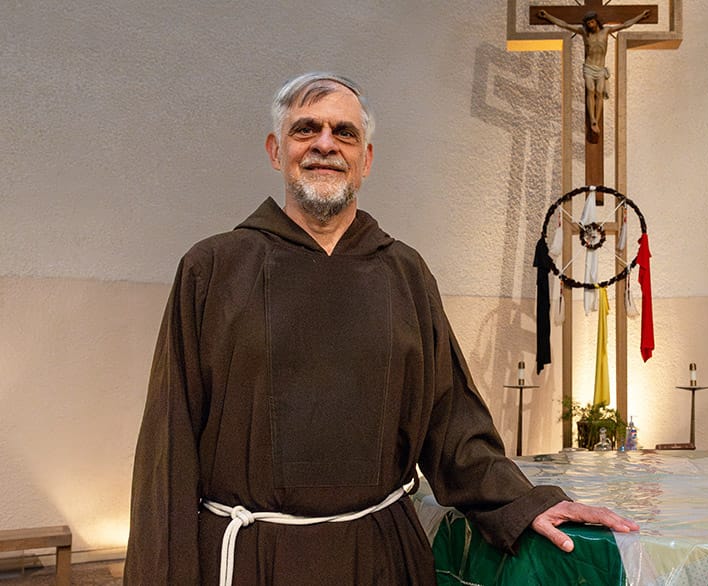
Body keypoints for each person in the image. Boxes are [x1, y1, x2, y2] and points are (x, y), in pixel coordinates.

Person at [124, 72, 638, 585]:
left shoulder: (404, 273)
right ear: (275, 151)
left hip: (380, 558)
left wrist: (524, 503)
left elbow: (451, 420)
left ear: (365, 159)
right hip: (252, 562)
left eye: (344, 133)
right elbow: (167, 447)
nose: (325, 145)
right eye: (306, 130)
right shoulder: (212, 269)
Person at [537, 9, 651, 133]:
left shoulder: (606, 31)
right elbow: (564, 24)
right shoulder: (584, 33)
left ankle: (597, 118)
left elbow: (625, 25)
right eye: (588, 23)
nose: (590, 25)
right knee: (591, 90)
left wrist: (640, 16)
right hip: (589, 67)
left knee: (599, 91)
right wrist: (548, 16)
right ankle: (593, 120)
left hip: (600, 68)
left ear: (596, 21)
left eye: (592, 22)